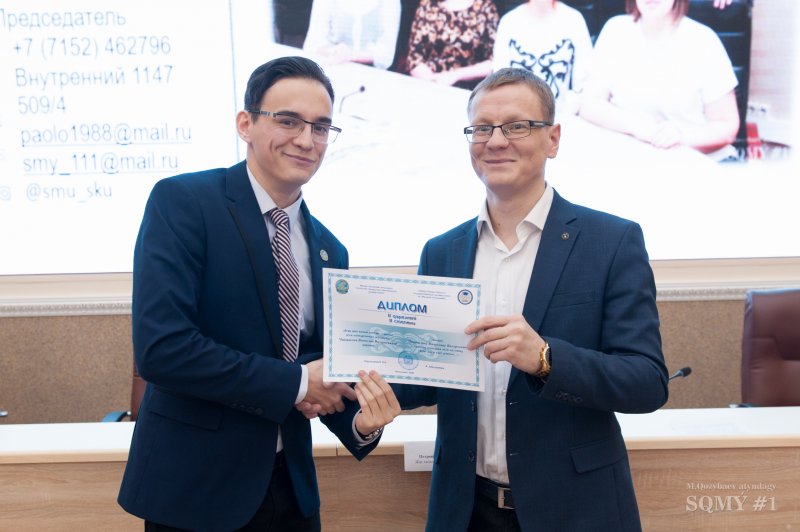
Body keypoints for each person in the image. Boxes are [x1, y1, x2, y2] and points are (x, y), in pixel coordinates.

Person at [118, 56, 400, 531]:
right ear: (245, 124)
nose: (306, 139)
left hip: (291, 493)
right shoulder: (184, 202)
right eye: (288, 120)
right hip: (196, 491)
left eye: (321, 127)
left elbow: (320, 368)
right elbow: (163, 351)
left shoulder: (330, 249)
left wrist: (361, 422)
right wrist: (297, 383)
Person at [393, 67, 669, 531]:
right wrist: (362, 381)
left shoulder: (611, 241)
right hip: (466, 511)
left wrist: (545, 358)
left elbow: (647, 382)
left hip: (575, 510)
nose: (496, 141)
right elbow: (425, 378)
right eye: (482, 128)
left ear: (553, 139)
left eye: (517, 126)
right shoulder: (441, 252)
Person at [579, 0, 740, 161]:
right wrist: (640, 128)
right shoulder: (616, 30)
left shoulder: (703, 41)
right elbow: (590, 105)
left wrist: (680, 138)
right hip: (634, 161)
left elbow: (726, 126)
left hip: (695, 162)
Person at [492, 0, 593, 116]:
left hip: (562, 116)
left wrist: (564, 117)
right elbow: (500, 81)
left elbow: (584, 84)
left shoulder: (574, 20)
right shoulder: (508, 22)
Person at [405, 0, 499, 89]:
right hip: (426, 84)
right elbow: (413, 57)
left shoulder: (486, 9)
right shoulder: (426, 5)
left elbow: (494, 62)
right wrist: (432, 81)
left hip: (467, 90)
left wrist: (455, 76)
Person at [302, 0, 402, 70]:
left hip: (372, 75)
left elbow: (386, 56)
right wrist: (334, 51)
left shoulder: (390, 2)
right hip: (331, 68)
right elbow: (312, 44)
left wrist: (351, 55)